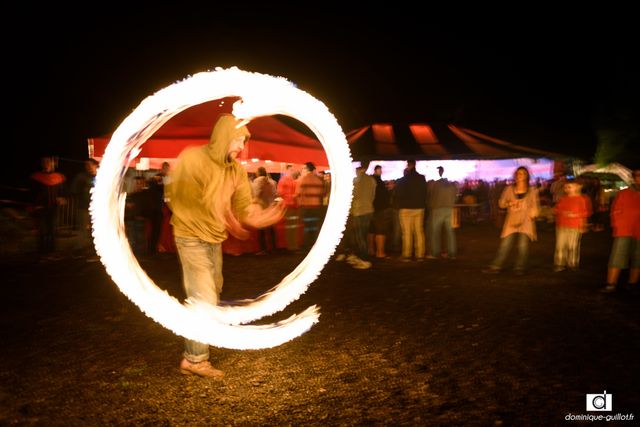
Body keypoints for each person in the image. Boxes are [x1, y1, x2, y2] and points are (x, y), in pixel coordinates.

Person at [166, 114, 285, 377]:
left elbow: (244, 206)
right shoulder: (193, 158)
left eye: (244, 141)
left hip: (214, 239)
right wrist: (219, 210)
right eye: (238, 139)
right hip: (190, 236)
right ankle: (195, 360)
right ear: (222, 137)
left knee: (211, 293)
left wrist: (259, 216)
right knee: (204, 297)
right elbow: (179, 199)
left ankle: (193, 349)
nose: (241, 146)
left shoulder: (236, 170)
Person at [483, 166, 539, 275]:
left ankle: (520, 267)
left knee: (523, 246)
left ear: (527, 175)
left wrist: (534, 212)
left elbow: (535, 205)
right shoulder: (509, 189)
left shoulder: (532, 190)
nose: (520, 175)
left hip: (526, 221)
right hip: (511, 220)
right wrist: (509, 203)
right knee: (505, 244)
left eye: (522, 173)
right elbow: (501, 203)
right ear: (515, 175)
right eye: (518, 173)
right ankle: (496, 266)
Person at [601, 168, 640, 293]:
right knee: (617, 256)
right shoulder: (624, 193)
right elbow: (615, 210)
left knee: (638, 258)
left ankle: (632, 283)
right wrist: (617, 225)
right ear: (634, 177)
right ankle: (611, 284)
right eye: (638, 175)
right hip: (624, 230)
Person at [30, 156, 66, 259]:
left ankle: (52, 251)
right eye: (44, 162)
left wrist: (62, 198)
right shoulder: (36, 177)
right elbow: (32, 193)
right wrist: (35, 204)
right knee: (42, 230)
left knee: (52, 230)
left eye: (48, 162)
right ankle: (41, 251)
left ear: (53, 164)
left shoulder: (59, 177)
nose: (46, 164)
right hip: (41, 207)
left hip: (54, 207)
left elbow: (62, 191)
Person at [553, 179, 591, 272]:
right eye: (566, 187)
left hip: (574, 226)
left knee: (573, 245)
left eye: (570, 187)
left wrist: (583, 224)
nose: (567, 189)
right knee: (560, 245)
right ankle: (560, 263)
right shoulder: (563, 199)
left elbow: (585, 213)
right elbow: (556, 210)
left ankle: (572, 263)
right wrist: (560, 212)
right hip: (562, 225)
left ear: (578, 187)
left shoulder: (581, 199)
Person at [392, 159, 427, 261]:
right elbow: (425, 192)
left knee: (407, 233)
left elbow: (398, 194)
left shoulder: (402, 180)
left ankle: (407, 255)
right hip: (419, 208)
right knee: (419, 232)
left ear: (408, 165)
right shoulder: (422, 178)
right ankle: (420, 255)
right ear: (415, 165)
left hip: (405, 208)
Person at [71, 158, 99, 258]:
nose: (87, 167)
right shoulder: (81, 177)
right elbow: (74, 189)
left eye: (89, 165)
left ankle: (96, 249)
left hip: (98, 208)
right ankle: (81, 248)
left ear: (96, 165)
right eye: (86, 165)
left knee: (96, 229)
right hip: (84, 207)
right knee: (82, 228)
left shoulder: (102, 176)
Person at [428, 166, 458, 259]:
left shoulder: (434, 184)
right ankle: (452, 253)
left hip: (437, 209)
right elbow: (456, 198)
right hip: (449, 209)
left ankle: (434, 253)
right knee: (450, 232)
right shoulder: (452, 185)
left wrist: (431, 205)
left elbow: (430, 196)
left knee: (435, 232)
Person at [295, 162, 326, 250]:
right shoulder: (319, 180)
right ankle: (315, 244)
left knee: (307, 227)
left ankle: (308, 246)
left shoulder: (302, 179)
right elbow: (322, 193)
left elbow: (297, 193)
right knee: (315, 226)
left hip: (306, 207)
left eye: (304, 168)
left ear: (307, 169)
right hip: (316, 207)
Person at [252, 166, 277, 254]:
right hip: (270, 207)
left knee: (261, 229)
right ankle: (273, 247)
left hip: (261, 207)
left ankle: (263, 249)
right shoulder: (271, 182)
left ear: (258, 173)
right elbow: (274, 194)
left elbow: (257, 194)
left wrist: (254, 201)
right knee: (270, 229)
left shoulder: (257, 181)